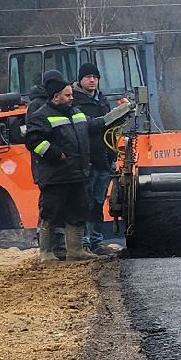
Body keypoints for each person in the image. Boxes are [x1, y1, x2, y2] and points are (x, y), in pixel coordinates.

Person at [22, 71, 104, 263]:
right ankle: (46, 252)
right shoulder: (41, 115)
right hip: (56, 176)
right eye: (67, 95)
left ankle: (75, 250)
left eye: (71, 94)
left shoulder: (76, 112)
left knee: (78, 212)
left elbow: (92, 125)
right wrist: (55, 154)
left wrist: (115, 117)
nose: (71, 98)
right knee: (51, 214)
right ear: (55, 96)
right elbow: (33, 141)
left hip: (77, 174)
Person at [70, 62, 117, 252]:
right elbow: (86, 126)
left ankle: (96, 241)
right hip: (87, 160)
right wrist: (106, 120)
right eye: (88, 77)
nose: (92, 80)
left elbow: (112, 130)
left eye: (95, 77)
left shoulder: (102, 101)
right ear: (80, 79)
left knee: (98, 203)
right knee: (85, 202)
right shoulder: (74, 102)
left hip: (104, 159)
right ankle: (85, 242)